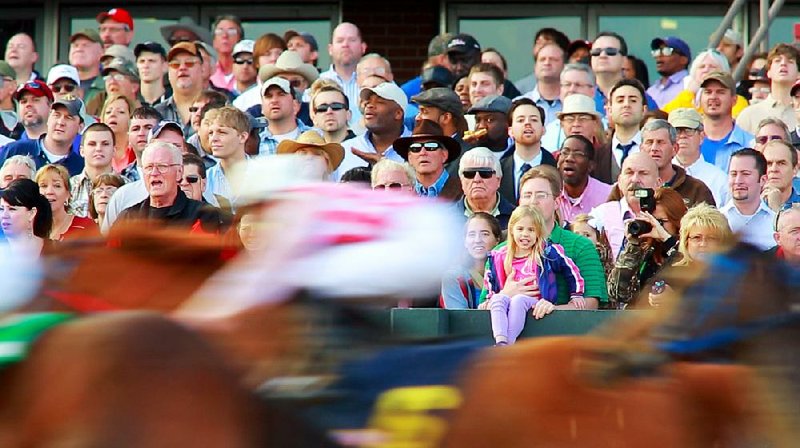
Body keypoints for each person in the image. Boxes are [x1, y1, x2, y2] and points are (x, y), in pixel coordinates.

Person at [485, 205, 586, 345]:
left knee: (519, 300)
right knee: (497, 299)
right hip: (508, 300)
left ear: (538, 233)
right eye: (520, 229)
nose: (525, 234)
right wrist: (489, 298)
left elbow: (570, 270)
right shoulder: (500, 255)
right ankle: (500, 341)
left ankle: (508, 343)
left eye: (531, 230)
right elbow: (491, 278)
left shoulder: (547, 253)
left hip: (536, 302)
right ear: (512, 230)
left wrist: (576, 293)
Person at [518, 165, 609, 308]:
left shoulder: (581, 246)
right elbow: (484, 306)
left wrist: (553, 311)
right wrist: (505, 293)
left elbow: (591, 303)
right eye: (527, 195)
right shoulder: (502, 250)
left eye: (541, 195)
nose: (533, 201)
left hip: (562, 328)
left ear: (557, 202)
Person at [115, 141, 228, 233]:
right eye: (149, 167)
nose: (154, 173)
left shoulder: (203, 215)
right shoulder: (127, 218)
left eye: (162, 166)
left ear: (179, 172)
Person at [608, 187, 686, 308]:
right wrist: (633, 246)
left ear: (677, 222)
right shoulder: (644, 249)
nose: (655, 226)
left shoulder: (687, 248)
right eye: (651, 220)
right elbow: (618, 294)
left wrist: (667, 240)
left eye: (660, 221)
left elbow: (688, 269)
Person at [648, 203, 734, 308]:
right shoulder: (676, 263)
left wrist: (676, 301)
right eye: (697, 237)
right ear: (686, 241)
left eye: (711, 238)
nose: (703, 244)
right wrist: (655, 298)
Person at [590, 152, 662, 258]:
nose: (635, 179)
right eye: (629, 173)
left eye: (643, 173)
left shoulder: (668, 217)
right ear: (619, 181)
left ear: (658, 183)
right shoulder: (599, 217)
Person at [337, 82, 410, 178]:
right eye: (368, 102)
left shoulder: (419, 149)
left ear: (398, 113)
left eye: (379, 102)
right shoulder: (345, 150)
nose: (369, 106)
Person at [0, 95, 85, 176]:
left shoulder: (80, 166)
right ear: (49, 119)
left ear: (80, 127)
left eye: (69, 118)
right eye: (56, 115)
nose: (60, 122)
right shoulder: (16, 150)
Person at [638, 119, 715, 206]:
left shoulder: (696, 189)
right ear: (641, 149)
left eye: (660, 142)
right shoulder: (632, 185)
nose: (654, 148)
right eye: (649, 142)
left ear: (675, 149)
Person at [668, 108, 729, 205]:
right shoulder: (659, 175)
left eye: (688, 130)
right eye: (677, 131)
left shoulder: (719, 179)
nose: (683, 136)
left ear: (701, 136)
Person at [440, 212, 502, 309]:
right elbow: (461, 320)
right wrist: (505, 294)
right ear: (465, 241)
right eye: (472, 235)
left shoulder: (508, 271)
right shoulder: (454, 277)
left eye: (485, 234)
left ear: (497, 239)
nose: (477, 240)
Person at [500, 98, 556, 203]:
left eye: (534, 120)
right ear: (510, 131)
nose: (527, 124)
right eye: (521, 120)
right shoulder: (499, 170)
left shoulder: (555, 167)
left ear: (543, 129)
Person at [663, 49, 749, 118]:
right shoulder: (685, 97)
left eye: (712, 66)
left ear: (724, 72)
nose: (706, 70)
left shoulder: (736, 100)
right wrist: (688, 94)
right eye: (702, 67)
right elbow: (665, 117)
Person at [736, 44, 799, 134]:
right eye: (777, 61)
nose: (783, 64)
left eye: (790, 61)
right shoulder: (748, 115)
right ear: (768, 72)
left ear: (799, 74)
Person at [720, 148, 776, 250]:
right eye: (733, 174)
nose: (738, 181)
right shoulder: (717, 219)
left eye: (745, 174)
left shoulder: (776, 225)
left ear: (763, 180)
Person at [541, 63, 605, 152]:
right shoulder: (548, 131)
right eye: (567, 84)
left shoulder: (606, 126)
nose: (571, 89)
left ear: (593, 91)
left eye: (578, 85)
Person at [698, 71, 753, 172]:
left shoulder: (750, 144)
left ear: (734, 100)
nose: (713, 97)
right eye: (708, 92)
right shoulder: (687, 141)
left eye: (720, 92)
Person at [595, 79, 648, 185]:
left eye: (633, 100)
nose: (626, 105)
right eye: (620, 100)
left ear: (644, 110)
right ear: (609, 110)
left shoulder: (653, 152)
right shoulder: (596, 155)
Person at [394, 119, 461, 201]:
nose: (423, 152)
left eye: (431, 147)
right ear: (409, 158)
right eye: (415, 148)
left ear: (444, 155)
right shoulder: (402, 194)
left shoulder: (463, 190)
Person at [319, 23, 367, 128]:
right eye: (340, 41)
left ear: (363, 47)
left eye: (352, 40)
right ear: (330, 49)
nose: (345, 44)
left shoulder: (376, 83)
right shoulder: (318, 83)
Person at [556, 134, 612, 223]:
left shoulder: (607, 196)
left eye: (578, 154)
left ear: (591, 166)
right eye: (565, 152)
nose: (569, 158)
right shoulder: (549, 194)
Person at [455, 146, 515, 227]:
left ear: (498, 180)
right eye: (469, 174)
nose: (477, 179)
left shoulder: (516, 218)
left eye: (485, 173)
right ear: (461, 180)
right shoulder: (445, 219)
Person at [36, 164, 97, 240]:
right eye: (43, 186)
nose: (49, 191)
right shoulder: (30, 230)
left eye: (57, 186)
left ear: (68, 194)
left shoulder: (86, 227)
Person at [156, 42, 205, 137]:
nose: (182, 68)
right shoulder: (157, 113)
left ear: (203, 68)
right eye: (175, 64)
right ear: (168, 71)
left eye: (189, 63)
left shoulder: (220, 108)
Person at [70, 123, 117, 217]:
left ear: (114, 150)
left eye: (105, 144)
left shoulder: (126, 186)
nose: (98, 149)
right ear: (81, 151)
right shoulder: (68, 187)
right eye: (92, 144)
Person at [257, 77, 312, 156]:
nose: (274, 100)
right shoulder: (254, 146)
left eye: (281, 94)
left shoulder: (318, 136)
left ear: (295, 104)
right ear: (262, 107)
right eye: (268, 96)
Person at [0, 179, 52, 256]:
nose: (4, 215)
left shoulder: (58, 250)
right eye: (1, 209)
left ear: (31, 213)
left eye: (12, 209)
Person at [515, 27, 570, 95]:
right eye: (538, 43)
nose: (540, 47)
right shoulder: (521, 87)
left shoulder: (572, 88)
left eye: (546, 43)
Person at [521, 43, 565, 126]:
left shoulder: (572, 105)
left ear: (564, 66)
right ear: (535, 66)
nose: (547, 63)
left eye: (553, 59)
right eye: (542, 59)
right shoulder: (519, 104)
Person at [277, 130, 345, 179]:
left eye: (316, 154)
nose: (309, 157)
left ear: (327, 163)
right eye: (303, 154)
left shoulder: (337, 196)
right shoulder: (281, 197)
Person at [647, 36, 691, 108]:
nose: (659, 56)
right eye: (657, 52)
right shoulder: (651, 91)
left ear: (683, 59)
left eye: (666, 51)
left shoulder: (690, 85)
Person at [100, 94, 137, 174]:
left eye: (121, 112)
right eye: (108, 112)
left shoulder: (138, 148)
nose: (112, 115)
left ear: (131, 118)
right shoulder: (97, 149)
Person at [761, 139, 800, 211]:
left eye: (781, 163)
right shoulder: (748, 206)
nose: (774, 169)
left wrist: (776, 209)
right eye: (768, 164)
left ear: (795, 169)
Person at [68, 29, 104, 106]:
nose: (79, 49)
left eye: (85, 45)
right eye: (75, 45)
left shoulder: (109, 86)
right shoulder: (57, 87)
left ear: (101, 52)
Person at [210, 15, 243, 92]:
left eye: (231, 31)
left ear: (240, 39)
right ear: (214, 42)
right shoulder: (208, 72)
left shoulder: (249, 71)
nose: (225, 35)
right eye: (220, 31)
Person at [134, 41, 169, 107]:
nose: (145, 65)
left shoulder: (174, 101)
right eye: (142, 61)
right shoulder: (129, 101)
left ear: (165, 66)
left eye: (151, 61)